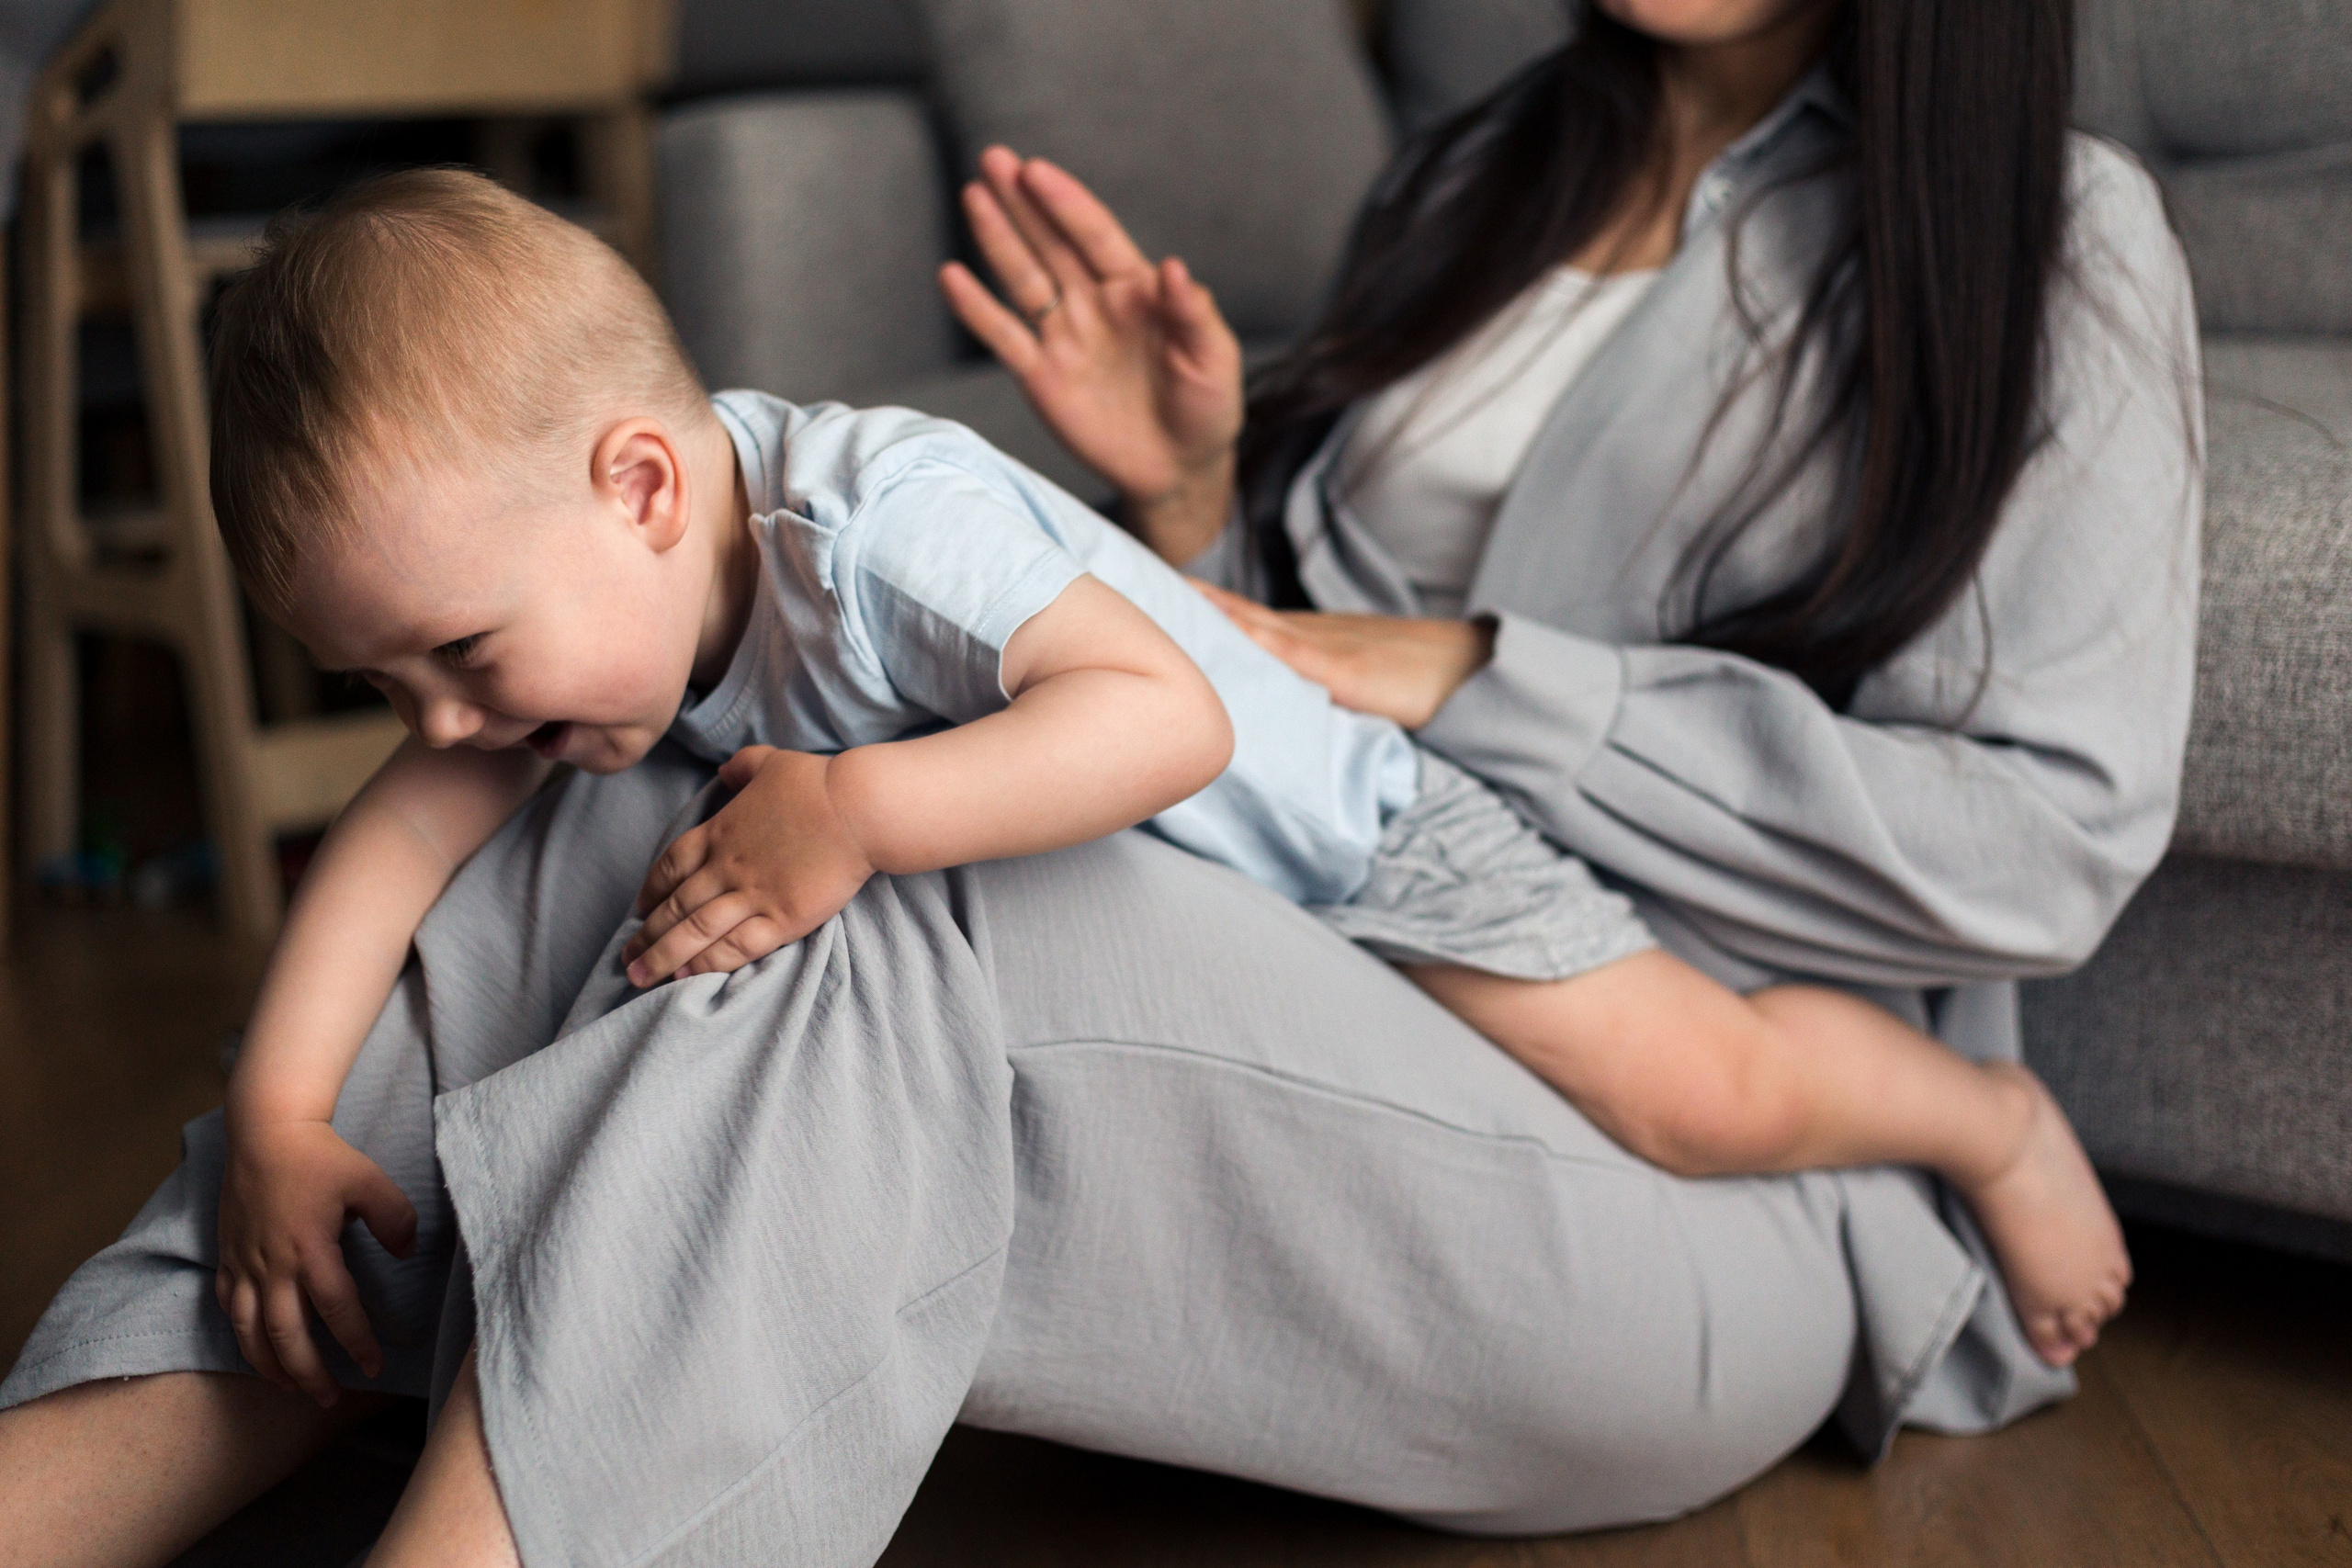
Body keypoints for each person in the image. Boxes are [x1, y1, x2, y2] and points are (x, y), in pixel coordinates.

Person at [0, 1, 2198, 1564]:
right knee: (586, 805)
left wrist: (1456, 668)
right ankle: (149, 1432)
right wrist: (1197, 495)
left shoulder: (2039, 233)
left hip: (1636, 1053)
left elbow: (2043, 841)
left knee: (862, 860)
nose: (431, 703)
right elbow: (1226, 696)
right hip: (1306, 895)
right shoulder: (1477, 173)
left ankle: (496, 1530)